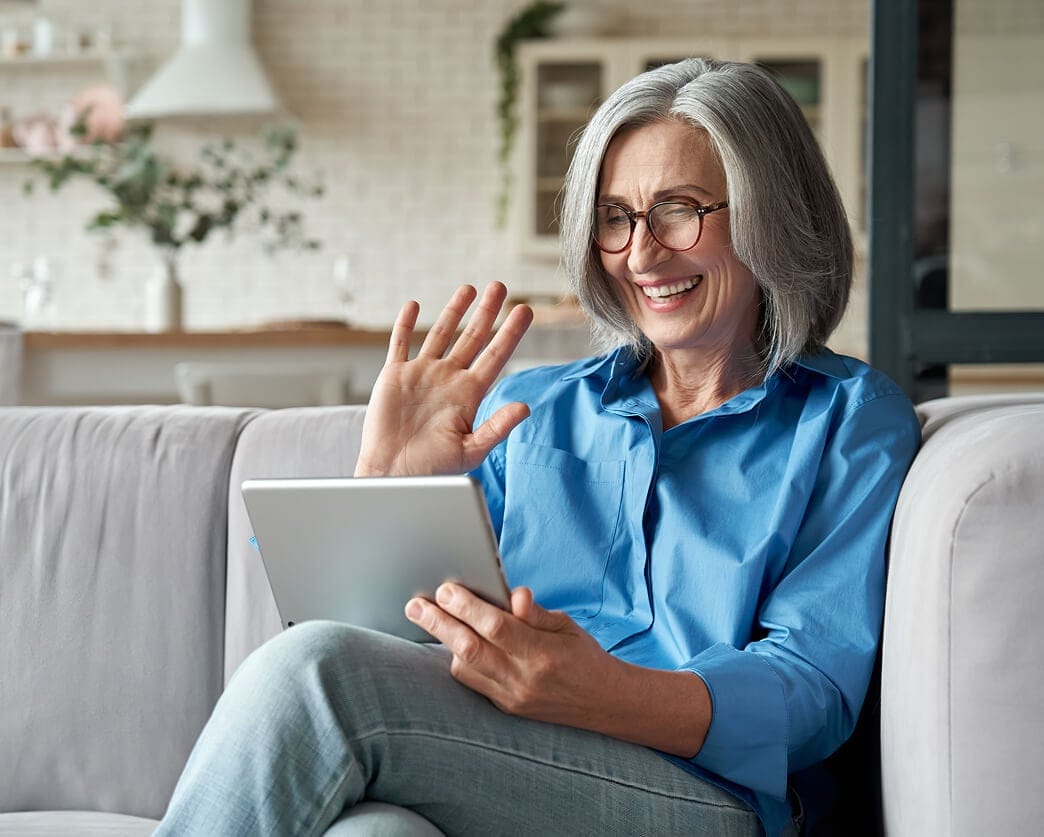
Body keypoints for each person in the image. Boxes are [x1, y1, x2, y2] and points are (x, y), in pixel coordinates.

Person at [155, 58, 920, 836]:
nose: (641, 254)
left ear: (771, 213)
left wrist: (602, 691)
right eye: (616, 217)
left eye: (679, 210)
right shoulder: (537, 405)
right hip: (502, 765)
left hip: (703, 794)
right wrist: (385, 484)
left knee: (314, 675)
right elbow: (390, 644)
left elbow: (813, 692)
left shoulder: (849, 418)